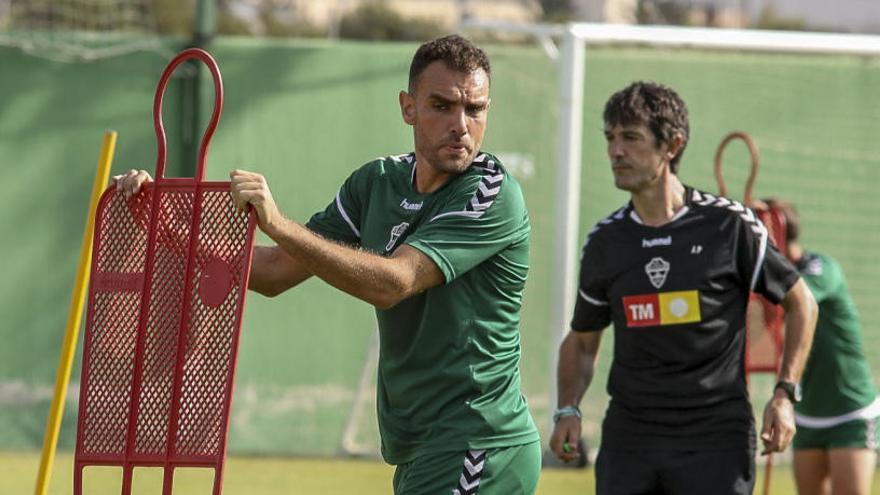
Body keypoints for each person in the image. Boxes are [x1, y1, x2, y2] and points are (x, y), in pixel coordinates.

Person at [116, 35, 541, 494]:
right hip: (422, 449)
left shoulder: (492, 194)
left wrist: (278, 223)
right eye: (441, 105)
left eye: (474, 109)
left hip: (480, 443)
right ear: (407, 107)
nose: (460, 125)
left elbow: (394, 282)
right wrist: (162, 224)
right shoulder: (375, 183)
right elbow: (276, 271)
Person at [548, 81, 818, 494]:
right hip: (630, 440)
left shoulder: (730, 226)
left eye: (631, 138)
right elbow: (583, 342)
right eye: (611, 138)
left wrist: (784, 395)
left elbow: (802, 304)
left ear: (671, 145)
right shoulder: (606, 242)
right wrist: (568, 408)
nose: (616, 151)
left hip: (715, 439)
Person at [761, 198, 879, 495]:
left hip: (850, 409)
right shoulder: (763, 283)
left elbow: (795, 300)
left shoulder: (820, 268)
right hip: (807, 412)